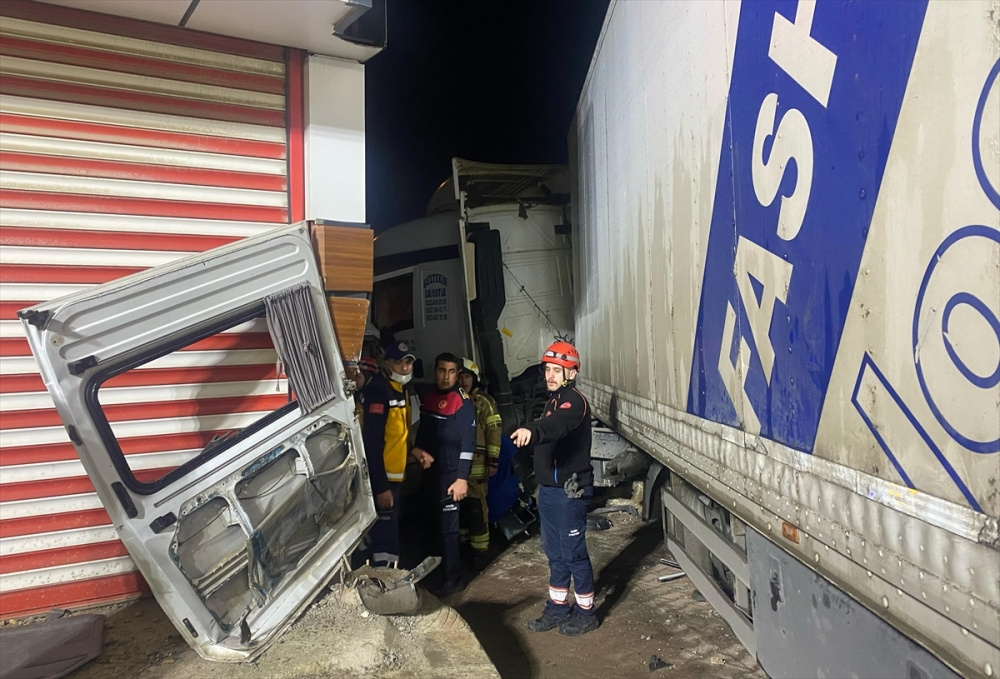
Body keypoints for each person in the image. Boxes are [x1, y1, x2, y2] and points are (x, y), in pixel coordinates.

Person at [510, 341, 598, 636]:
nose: (549, 375)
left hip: (570, 492)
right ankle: (558, 608)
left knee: (573, 553)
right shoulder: (552, 403)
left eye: (556, 370)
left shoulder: (573, 403)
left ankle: (586, 613)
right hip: (549, 490)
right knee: (555, 551)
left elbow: (558, 426)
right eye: (547, 369)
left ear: (571, 373)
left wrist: (532, 430)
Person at [411, 352, 477, 596]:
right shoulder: (428, 397)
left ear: (457, 374)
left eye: (451, 372)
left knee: (449, 530)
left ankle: (454, 579)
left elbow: (469, 443)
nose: (446, 376)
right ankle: (433, 576)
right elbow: (423, 432)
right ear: (435, 371)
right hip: (431, 474)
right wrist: (417, 452)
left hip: (451, 475)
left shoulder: (463, 402)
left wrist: (462, 479)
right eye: (441, 370)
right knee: (429, 525)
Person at [360, 342, 415, 567]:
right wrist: (381, 486)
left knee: (388, 531)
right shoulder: (379, 391)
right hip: (384, 479)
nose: (405, 367)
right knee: (384, 537)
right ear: (387, 364)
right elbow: (372, 442)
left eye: (408, 362)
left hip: (395, 477)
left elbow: (399, 433)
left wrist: (413, 450)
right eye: (399, 362)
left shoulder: (400, 389)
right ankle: (383, 578)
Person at [458, 358, 502, 565]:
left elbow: (494, 431)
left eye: (467, 376)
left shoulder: (484, 402)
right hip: (459, 468)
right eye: (460, 376)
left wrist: (492, 461)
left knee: (476, 509)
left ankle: (481, 552)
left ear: (474, 378)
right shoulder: (455, 399)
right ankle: (464, 546)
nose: (463, 380)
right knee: (461, 510)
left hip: (477, 467)